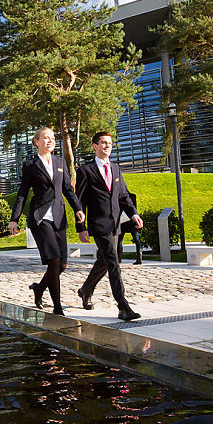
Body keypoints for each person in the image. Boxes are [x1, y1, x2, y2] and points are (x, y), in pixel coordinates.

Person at [8, 127, 85, 316]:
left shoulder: (60, 162)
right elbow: (23, 193)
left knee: (63, 265)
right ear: (37, 142)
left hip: (58, 216)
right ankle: (57, 308)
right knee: (54, 260)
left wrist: (78, 208)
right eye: (45, 138)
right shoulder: (30, 165)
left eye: (52, 138)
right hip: (40, 217)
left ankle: (39, 288)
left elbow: (68, 188)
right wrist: (14, 219)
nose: (50, 141)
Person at [75, 131, 143, 321]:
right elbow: (79, 202)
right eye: (103, 143)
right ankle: (123, 306)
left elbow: (123, 196)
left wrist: (133, 214)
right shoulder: (85, 171)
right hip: (98, 224)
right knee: (113, 262)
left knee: (106, 260)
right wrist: (81, 227)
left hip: (116, 224)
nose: (107, 146)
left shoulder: (116, 169)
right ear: (95, 146)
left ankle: (85, 290)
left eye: (110, 143)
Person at [117, 191, 144, 265]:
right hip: (132, 221)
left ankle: (119, 259)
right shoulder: (133, 196)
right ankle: (139, 258)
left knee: (120, 240)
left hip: (123, 222)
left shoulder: (119, 197)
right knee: (137, 240)